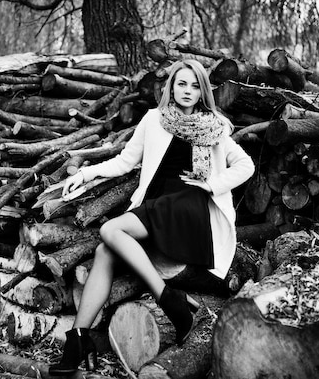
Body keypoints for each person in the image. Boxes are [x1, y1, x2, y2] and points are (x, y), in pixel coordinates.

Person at [49, 59, 255, 375]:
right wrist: (87, 173)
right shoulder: (154, 119)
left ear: (203, 91)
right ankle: (79, 338)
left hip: (189, 206)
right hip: (157, 206)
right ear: (171, 87)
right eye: (181, 84)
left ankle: (167, 298)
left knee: (110, 229)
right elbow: (124, 161)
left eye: (195, 85)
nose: (187, 91)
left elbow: (246, 166)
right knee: (106, 249)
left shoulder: (214, 126)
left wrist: (211, 184)